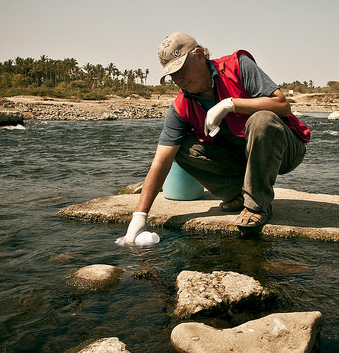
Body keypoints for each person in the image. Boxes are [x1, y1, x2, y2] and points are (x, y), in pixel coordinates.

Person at [123, 31, 310, 242]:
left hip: (285, 149)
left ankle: (257, 205)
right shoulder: (181, 107)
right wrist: (139, 216)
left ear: (200, 55)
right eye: (172, 74)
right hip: (243, 157)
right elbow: (161, 161)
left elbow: (282, 106)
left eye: (181, 69)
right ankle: (237, 195)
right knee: (179, 146)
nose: (178, 79)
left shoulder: (238, 66)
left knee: (262, 120)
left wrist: (231, 104)